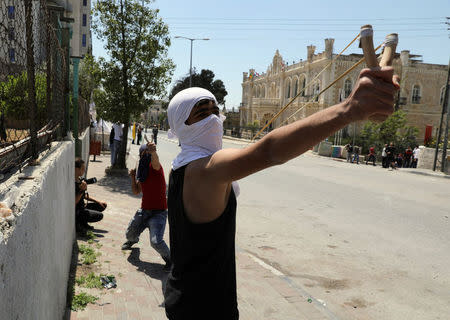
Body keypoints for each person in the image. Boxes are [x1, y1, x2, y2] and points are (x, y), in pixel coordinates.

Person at [163, 66, 400, 319]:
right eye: (201, 114)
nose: (212, 118)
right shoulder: (205, 170)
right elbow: (267, 152)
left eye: (215, 111)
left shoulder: (182, 165)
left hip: (185, 299)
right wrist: (348, 110)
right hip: (204, 310)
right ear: (182, 125)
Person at [121, 143, 171, 269]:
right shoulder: (142, 172)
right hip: (144, 211)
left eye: (147, 154)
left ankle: (171, 261)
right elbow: (137, 191)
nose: (146, 156)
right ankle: (133, 240)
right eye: (144, 154)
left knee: (156, 242)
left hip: (158, 213)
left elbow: (155, 161)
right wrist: (133, 177)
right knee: (129, 234)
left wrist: (153, 152)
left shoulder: (156, 168)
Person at [75, 158, 107, 234]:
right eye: (82, 169)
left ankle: (84, 223)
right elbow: (74, 202)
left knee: (103, 205)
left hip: (83, 206)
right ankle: (80, 223)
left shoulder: (80, 180)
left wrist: (98, 201)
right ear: (76, 169)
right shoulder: (73, 183)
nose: (84, 171)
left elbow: (85, 196)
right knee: (99, 215)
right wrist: (82, 190)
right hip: (78, 211)